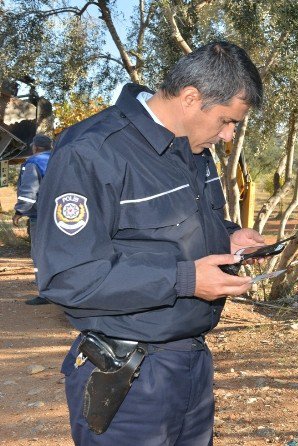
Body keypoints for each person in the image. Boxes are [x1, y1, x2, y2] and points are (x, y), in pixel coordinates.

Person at [34, 41, 265, 445]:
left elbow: (167, 228)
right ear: (191, 98)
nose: (228, 136)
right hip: (129, 377)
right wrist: (185, 280)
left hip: (189, 362)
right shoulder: (93, 150)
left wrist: (229, 235)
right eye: (227, 121)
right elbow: (67, 276)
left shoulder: (193, 148)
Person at [13, 133, 52, 305]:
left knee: (39, 254)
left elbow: (29, 192)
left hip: (41, 216)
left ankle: (45, 294)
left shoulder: (33, 163)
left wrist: (20, 211)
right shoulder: (61, 158)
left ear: (35, 147)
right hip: (63, 215)